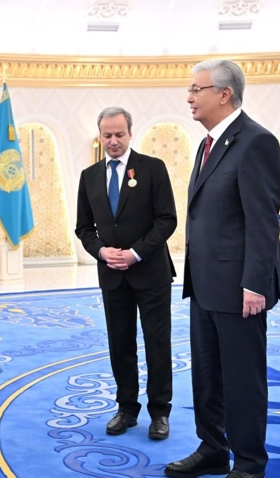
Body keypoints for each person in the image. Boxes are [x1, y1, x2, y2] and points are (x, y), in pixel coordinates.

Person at [164, 60, 280, 478]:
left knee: (242, 379)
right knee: (207, 375)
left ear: (224, 94)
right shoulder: (207, 144)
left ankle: (250, 462)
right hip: (204, 285)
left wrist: (255, 283)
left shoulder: (256, 142)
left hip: (240, 289)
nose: (189, 97)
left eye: (196, 89)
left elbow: (263, 220)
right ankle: (213, 447)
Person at [75, 106, 177, 440]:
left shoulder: (153, 168)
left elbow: (167, 219)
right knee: (120, 344)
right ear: (100, 135)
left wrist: (135, 254)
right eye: (107, 135)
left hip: (151, 273)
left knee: (156, 343)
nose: (114, 141)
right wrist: (102, 251)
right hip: (112, 275)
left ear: (131, 133)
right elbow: (83, 228)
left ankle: (160, 412)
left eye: (120, 134)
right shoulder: (89, 176)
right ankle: (126, 409)